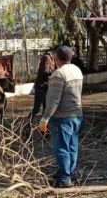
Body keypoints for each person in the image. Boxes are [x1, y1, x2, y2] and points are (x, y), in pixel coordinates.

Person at [38, 45, 84, 188]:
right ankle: (66, 174)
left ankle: (64, 179)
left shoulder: (59, 74)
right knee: (72, 146)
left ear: (56, 58)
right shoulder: (77, 70)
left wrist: (45, 118)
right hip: (77, 114)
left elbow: (53, 100)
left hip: (62, 117)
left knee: (62, 148)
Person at [29, 51, 56, 122]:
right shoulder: (46, 58)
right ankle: (27, 123)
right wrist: (55, 73)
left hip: (46, 87)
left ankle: (43, 126)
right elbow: (44, 71)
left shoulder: (50, 58)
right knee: (37, 109)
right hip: (41, 87)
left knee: (45, 108)